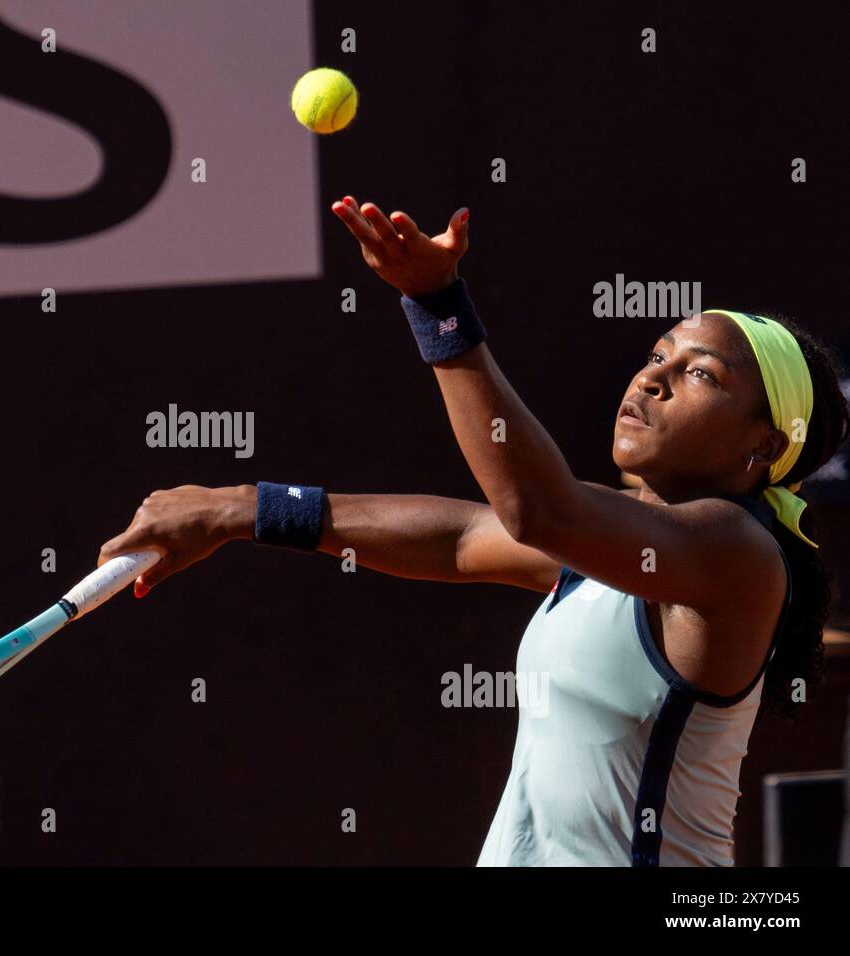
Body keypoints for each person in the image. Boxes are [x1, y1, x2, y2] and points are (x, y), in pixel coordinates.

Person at [96, 195, 848, 866]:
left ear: (764, 448)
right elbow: (459, 539)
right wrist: (240, 507)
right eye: (659, 355)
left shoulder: (739, 556)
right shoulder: (611, 544)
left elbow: (535, 509)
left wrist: (437, 304)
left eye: (700, 375)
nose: (652, 377)